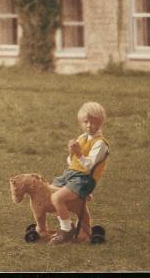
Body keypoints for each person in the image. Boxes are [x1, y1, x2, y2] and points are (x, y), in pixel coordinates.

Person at [48, 101, 109, 244]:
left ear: (100, 122)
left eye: (93, 122)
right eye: (85, 122)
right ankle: (73, 225)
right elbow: (71, 162)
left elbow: (89, 167)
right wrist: (72, 152)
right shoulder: (82, 138)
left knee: (57, 198)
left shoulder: (100, 144)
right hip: (70, 174)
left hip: (85, 179)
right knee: (49, 191)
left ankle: (66, 230)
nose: (88, 125)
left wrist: (79, 153)